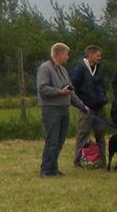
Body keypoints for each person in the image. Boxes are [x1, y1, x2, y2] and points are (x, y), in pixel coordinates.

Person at [35, 42, 88, 177]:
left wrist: (82, 106)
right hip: (51, 110)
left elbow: (70, 91)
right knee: (52, 141)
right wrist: (59, 92)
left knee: (59, 141)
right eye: (66, 54)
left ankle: (54, 168)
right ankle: (46, 170)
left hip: (64, 109)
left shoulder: (63, 70)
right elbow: (43, 88)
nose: (68, 57)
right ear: (59, 54)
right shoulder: (45, 68)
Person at [70, 45, 108, 167]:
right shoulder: (79, 68)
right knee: (83, 133)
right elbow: (73, 87)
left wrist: (103, 97)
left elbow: (102, 84)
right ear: (90, 55)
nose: (100, 58)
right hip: (86, 108)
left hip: (99, 106)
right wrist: (80, 103)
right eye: (98, 55)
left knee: (100, 134)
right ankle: (77, 161)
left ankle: (102, 160)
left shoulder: (99, 68)